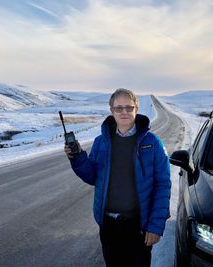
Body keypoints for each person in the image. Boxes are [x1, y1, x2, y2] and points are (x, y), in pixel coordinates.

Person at [64, 88, 171, 267]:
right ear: (111, 110)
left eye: (129, 108)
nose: (124, 112)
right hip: (109, 225)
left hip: (139, 226)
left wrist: (155, 225)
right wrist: (78, 157)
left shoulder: (153, 143)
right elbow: (92, 176)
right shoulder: (101, 142)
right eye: (119, 108)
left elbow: (163, 185)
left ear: (136, 109)